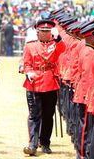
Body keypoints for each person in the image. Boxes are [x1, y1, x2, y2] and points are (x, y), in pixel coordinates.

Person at [22, 19, 66, 156]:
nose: (45, 34)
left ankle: (45, 142)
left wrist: (58, 37)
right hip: (34, 82)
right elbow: (26, 63)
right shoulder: (30, 46)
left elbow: (62, 49)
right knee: (34, 115)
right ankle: (33, 144)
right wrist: (28, 72)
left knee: (48, 115)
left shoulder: (55, 44)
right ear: (37, 32)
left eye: (48, 31)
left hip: (50, 82)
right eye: (43, 31)